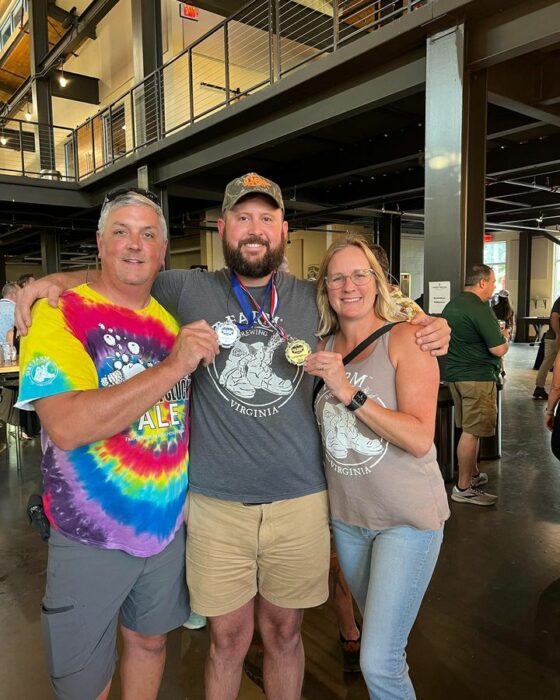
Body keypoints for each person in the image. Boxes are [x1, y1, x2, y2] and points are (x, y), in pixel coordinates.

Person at [16, 172, 450, 700]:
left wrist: (429, 324)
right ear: (223, 229)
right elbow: (125, 271)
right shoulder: (185, 288)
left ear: (283, 231)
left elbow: (370, 306)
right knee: (226, 640)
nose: (254, 229)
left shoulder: (311, 298)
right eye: (242, 217)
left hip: (299, 498)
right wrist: (47, 283)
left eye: (266, 218)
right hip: (215, 501)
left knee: (285, 633)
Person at [15, 189, 218, 700]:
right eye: (121, 232)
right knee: (85, 683)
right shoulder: (60, 317)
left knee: (150, 645)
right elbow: (68, 425)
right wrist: (173, 365)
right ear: (100, 245)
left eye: (148, 234)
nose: (135, 245)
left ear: (164, 250)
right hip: (90, 537)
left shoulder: (169, 322)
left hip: (165, 530)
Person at [305, 234, 449, 698]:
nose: (349, 285)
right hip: (350, 523)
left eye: (359, 274)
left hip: (406, 522)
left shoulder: (408, 339)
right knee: (386, 649)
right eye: (338, 277)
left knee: (378, 661)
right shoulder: (321, 344)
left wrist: (349, 392)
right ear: (325, 287)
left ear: (377, 281)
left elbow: (418, 436)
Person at [442, 264, 509, 506]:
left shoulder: (453, 305)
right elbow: (498, 348)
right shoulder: (480, 309)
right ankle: (463, 488)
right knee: (472, 432)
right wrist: (506, 339)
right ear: (481, 283)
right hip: (478, 379)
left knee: (470, 429)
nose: (494, 287)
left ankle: (472, 474)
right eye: (492, 282)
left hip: (456, 377)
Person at [532, 294, 560, 400]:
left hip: (552, 338)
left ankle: (539, 387)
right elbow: (554, 317)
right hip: (554, 338)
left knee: (547, 363)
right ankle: (540, 388)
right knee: (547, 363)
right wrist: (558, 334)